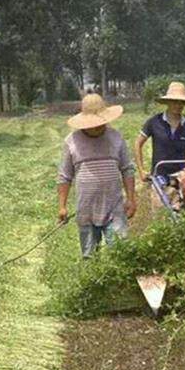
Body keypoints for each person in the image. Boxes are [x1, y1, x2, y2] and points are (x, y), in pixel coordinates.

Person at [58, 94, 136, 258]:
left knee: (121, 254)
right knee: (89, 256)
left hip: (114, 208)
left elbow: (127, 169)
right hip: (86, 209)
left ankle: (118, 283)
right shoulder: (72, 142)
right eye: (93, 124)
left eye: (101, 123)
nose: (98, 127)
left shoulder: (116, 137)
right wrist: (62, 206)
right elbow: (65, 177)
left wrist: (131, 198)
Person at [135, 81, 185, 185]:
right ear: (168, 102)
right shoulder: (154, 122)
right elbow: (138, 143)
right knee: (161, 199)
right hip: (160, 173)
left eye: (181, 102)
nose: (178, 105)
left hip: (181, 175)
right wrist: (141, 170)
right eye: (175, 101)